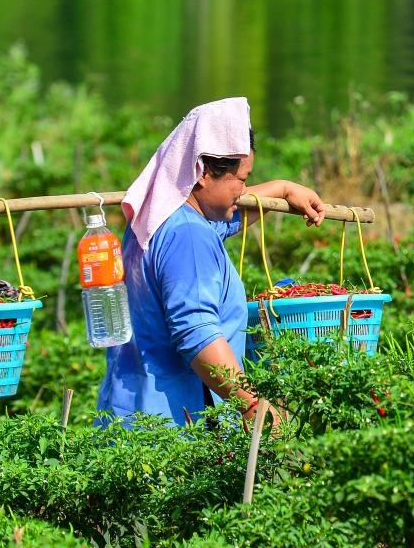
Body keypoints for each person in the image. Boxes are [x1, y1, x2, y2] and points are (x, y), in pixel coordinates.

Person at [96, 97, 326, 429]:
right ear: (203, 172)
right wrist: (252, 405)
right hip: (175, 429)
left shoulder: (156, 219)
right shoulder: (188, 236)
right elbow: (197, 334)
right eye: (241, 179)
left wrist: (283, 189)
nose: (244, 191)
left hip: (131, 412)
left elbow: (219, 220)